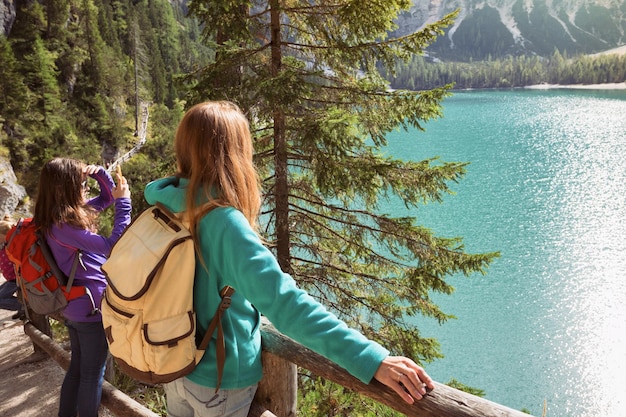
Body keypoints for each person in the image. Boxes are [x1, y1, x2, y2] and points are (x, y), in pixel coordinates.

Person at [144, 101, 435, 417]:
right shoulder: (223, 223)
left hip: (174, 367)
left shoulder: (164, 207)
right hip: (218, 381)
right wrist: (370, 358)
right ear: (235, 154)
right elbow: (288, 306)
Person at [33, 158, 131, 417]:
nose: (87, 189)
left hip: (76, 307)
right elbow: (112, 245)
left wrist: (101, 175)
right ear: (65, 187)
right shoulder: (66, 226)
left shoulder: (57, 219)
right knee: (92, 375)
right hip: (90, 310)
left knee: (77, 369)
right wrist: (125, 203)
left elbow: (106, 199)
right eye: (83, 184)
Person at [0, 216, 24, 319]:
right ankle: (21, 308)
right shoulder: (2, 246)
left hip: (17, 278)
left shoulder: (11, 245)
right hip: (11, 279)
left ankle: (23, 307)